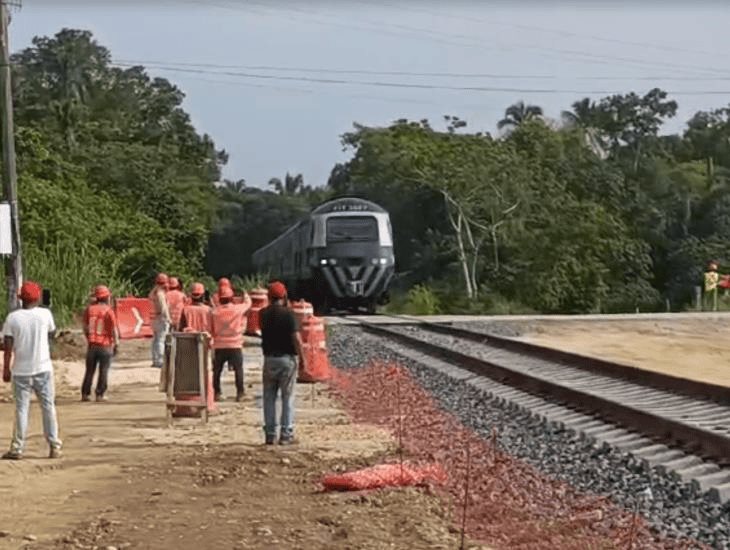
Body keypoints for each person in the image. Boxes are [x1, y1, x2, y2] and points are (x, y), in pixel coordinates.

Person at [2, 281, 62, 460]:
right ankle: (54, 445)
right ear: (38, 298)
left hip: (21, 370)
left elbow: (7, 346)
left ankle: (17, 448)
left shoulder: (13, 318)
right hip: (43, 368)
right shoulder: (45, 314)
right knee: (48, 407)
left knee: (21, 409)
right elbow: (52, 333)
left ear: (21, 299)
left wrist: (6, 369)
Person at [259, 281, 303, 445]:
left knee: (269, 398)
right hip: (287, 360)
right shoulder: (289, 314)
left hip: (269, 359)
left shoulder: (263, 314)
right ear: (284, 296)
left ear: (269, 297)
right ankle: (286, 434)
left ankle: (270, 434)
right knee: (287, 397)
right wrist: (303, 359)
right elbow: (296, 338)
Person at [81, 285, 119, 402]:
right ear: (107, 297)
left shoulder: (89, 309)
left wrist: (89, 338)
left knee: (89, 370)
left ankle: (85, 394)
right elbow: (114, 329)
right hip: (105, 345)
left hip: (92, 345)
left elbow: (85, 327)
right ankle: (99, 394)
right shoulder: (109, 311)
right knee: (103, 370)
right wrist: (116, 343)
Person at [210, 286, 248, 402]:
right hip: (235, 345)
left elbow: (211, 328)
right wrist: (245, 293)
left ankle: (217, 393)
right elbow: (248, 303)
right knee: (238, 370)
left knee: (217, 371)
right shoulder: (238, 309)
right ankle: (240, 393)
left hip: (219, 345)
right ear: (231, 298)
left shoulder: (215, 312)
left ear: (220, 299)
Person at [149, 273, 171, 369]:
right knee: (161, 340)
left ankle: (155, 359)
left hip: (154, 318)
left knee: (156, 339)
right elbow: (163, 308)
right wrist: (168, 318)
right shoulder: (160, 294)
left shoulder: (153, 292)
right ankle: (160, 361)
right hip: (161, 318)